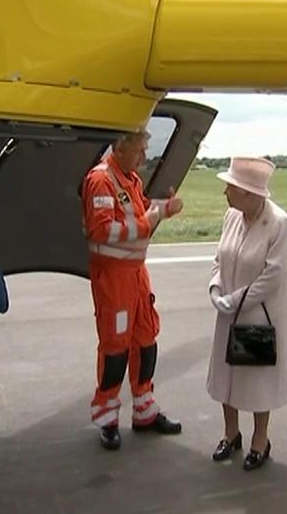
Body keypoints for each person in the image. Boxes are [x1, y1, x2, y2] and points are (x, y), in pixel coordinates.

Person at [82, 129, 184, 450]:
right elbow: (102, 230)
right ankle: (107, 418)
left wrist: (164, 209)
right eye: (140, 150)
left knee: (146, 340)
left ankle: (144, 410)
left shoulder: (131, 179)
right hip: (113, 279)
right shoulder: (100, 180)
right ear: (121, 147)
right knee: (115, 348)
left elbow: (140, 209)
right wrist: (148, 222)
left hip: (137, 274)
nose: (144, 156)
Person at [207, 156, 287, 471]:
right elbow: (220, 257)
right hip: (227, 313)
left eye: (230, 188)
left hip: (258, 315)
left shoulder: (279, 223)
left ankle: (260, 440)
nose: (225, 193)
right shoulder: (232, 215)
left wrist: (236, 300)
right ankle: (231, 435)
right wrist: (216, 288)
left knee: (256, 381)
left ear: (248, 192)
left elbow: (272, 277)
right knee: (225, 377)